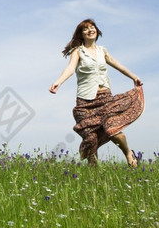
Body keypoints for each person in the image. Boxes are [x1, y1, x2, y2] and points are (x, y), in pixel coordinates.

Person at [49, 19, 144, 167]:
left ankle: (128, 153)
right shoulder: (78, 51)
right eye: (86, 29)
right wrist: (58, 82)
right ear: (81, 34)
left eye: (92, 28)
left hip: (105, 97)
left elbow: (118, 65)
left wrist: (134, 76)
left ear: (97, 31)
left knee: (112, 127)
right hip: (85, 100)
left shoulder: (102, 51)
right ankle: (94, 175)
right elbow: (70, 68)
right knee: (90, 138)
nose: (90, 30)